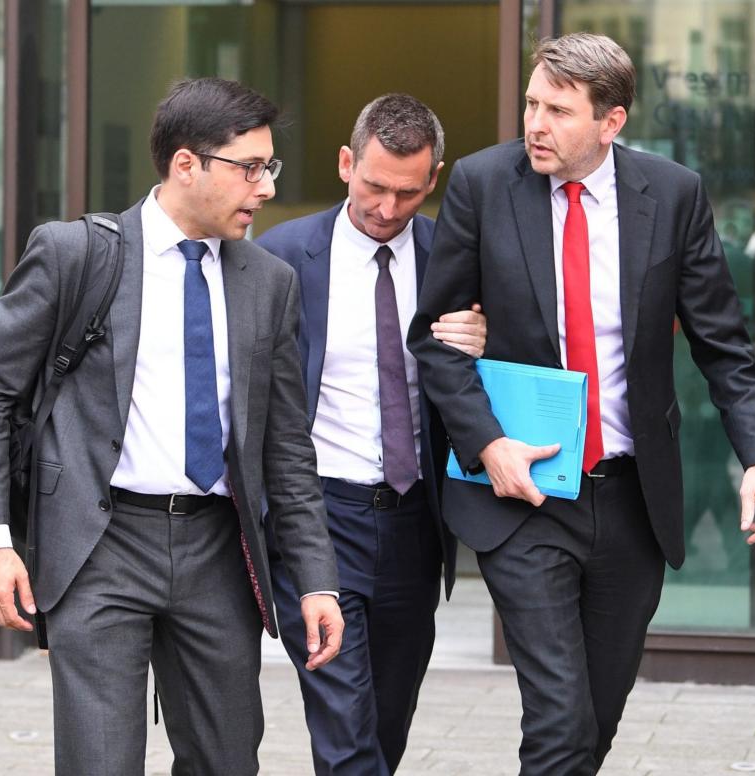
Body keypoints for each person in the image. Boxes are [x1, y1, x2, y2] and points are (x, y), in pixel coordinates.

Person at [407, 34, 755, 774]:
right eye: (531, 103)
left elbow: (724, 345)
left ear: (610, 122)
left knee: (596, 716)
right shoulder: (484, 184)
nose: (535, 124)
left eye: (558, 110)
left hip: (629, 500)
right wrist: (488, 444)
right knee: (557, 717)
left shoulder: (672, 195)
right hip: (523, 494)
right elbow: (435, 340)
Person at [0, 77, 343, 776]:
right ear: (186, 164)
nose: (265, 188)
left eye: (269, 167)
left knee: (227, 761)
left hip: (218, 551)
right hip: (98, 546)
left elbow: (285, 445)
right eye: (249, 168)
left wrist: (316, 579)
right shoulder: (78, 255)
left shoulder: (268, 281)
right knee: (100, 763)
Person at [256, 94, 486, 775]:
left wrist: (487, 341)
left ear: (434, 179)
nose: (387, 208)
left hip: (416, 524)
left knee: (387, 721)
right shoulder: (282, 258)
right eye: (375, 186)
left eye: (408, 193)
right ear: (346, 163)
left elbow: (509, 369)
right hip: (318, 521)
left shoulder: (455, 257)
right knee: (346, 729)